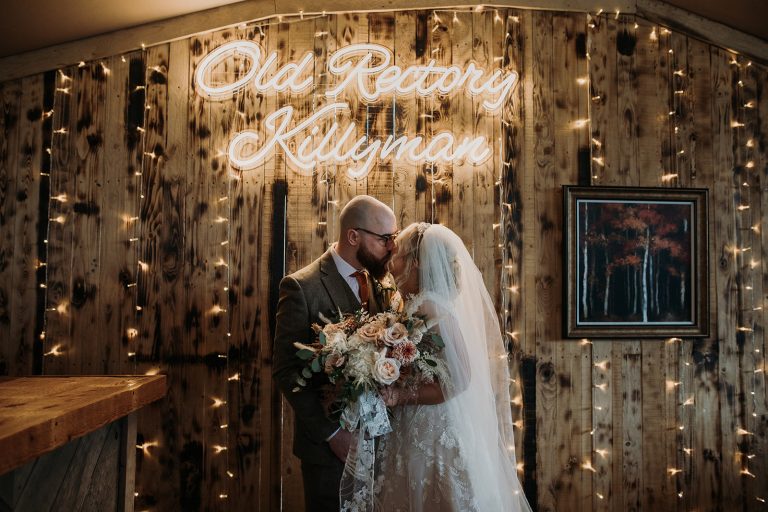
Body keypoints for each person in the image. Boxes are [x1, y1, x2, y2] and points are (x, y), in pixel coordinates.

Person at [369, 222, 532, 512]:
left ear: (416, 263)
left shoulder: (430, 307)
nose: (391, 262)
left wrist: (401, 396)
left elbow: (460, 378)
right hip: (413, 423)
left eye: (399, 255)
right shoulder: (410, 304)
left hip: (434, 428)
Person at [272, 195, 399, 512]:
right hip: (329, 451)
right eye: (385, 238)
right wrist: (332, 434)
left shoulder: (382, 283)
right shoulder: (301, 287)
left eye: (394, 238)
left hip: (382, 444)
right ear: (353, 236)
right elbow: (287, 371)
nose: (392, 247)